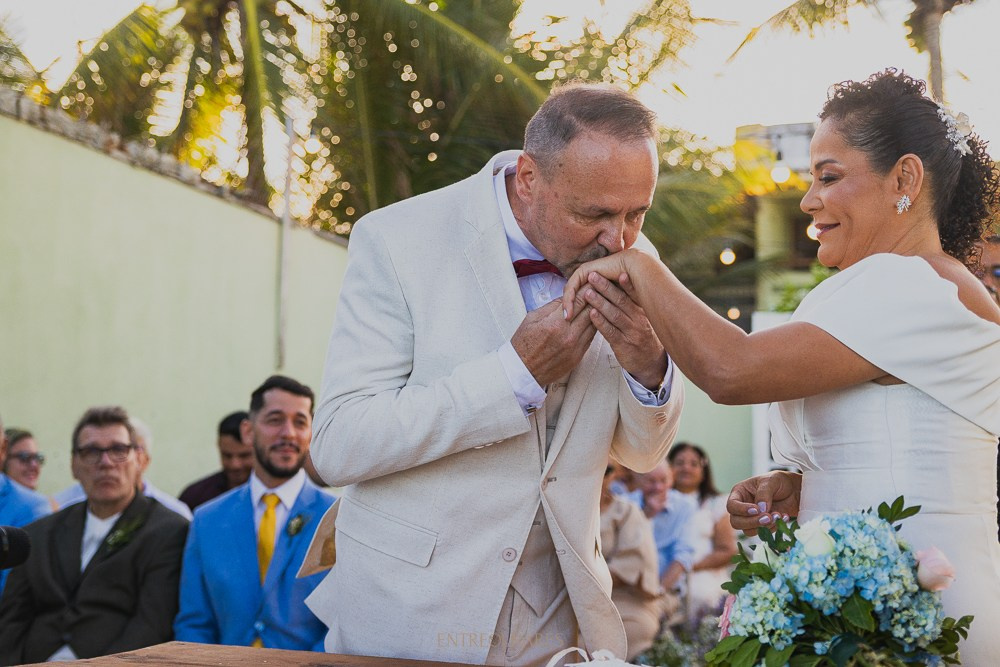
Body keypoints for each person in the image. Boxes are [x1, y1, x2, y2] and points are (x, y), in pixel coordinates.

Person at [562, 69, 1000, 662]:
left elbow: (730, 370)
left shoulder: (914, 282)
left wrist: (637, 261)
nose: (808, 200)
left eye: (829, 177)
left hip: (919, 602)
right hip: (867, 601)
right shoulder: (882, 289)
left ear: (905, 178)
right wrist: (801, 489)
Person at [306, 82, 685, 665]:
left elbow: (641, 454)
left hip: (559, 627)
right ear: (529, 178)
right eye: (596, 214)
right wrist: (514, 374)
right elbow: (339, 444)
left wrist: (648, 364)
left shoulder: (639, 257)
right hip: (407, 617)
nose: (621, 238)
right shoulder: (396, 239)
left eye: (639, 211)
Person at [0, 406, 189, 663]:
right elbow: (12, 620)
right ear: (73, 465)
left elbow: (152, 623)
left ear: (138, 461)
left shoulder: (168, 531)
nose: (105, 462)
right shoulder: (39, 532)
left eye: (119, 450)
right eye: (90, 452)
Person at [174, 376, 334, 650]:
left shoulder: (336, 518)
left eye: (300, 422)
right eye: (275, 420)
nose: (288, 434)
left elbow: (342, 624)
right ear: (248, 432)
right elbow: (194, 623)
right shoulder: (206, 520)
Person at [53, 416, 193, 520]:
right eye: (93, 451)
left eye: (119, 450)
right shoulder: (61, 506)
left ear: (143, 460)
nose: (107, 462)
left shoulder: (174, 514)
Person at [599, 463, 666, 661]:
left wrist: (587, 581)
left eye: (606, 471)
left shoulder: (626, 511)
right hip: (567, 598)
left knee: (622, 634)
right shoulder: (561, 511)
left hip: (624, 599)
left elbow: (631, 564)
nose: (600, 477)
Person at [667, 442, 736, 622]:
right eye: (679, 463)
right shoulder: (658, 503)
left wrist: (686, 566)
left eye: (693, 464)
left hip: (703, 574)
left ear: (703, 471)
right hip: (664, 573)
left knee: (701, 596)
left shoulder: (716, 504)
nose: (686, 468)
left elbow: (727, 550)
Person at [0, 416, 51, 594]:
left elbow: (17, 592)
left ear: (3, 449)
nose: (33, 466)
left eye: (38, 458)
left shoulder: (34, 509)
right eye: (24, 458)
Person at [634, 461, 696, 598]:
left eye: (664, 480)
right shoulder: (626, 504)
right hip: (628, 588)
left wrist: (659, 590)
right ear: (638, 480)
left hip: (666, 591)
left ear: (671, 479)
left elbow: (683, 555)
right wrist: (646, 515)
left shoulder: (685, 506)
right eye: (651, 481)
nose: (658, 487)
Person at [178, 410, 254, 511]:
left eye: (244, 456)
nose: (235, 465)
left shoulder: (274, 496)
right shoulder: (195, 497)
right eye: (227, 455)